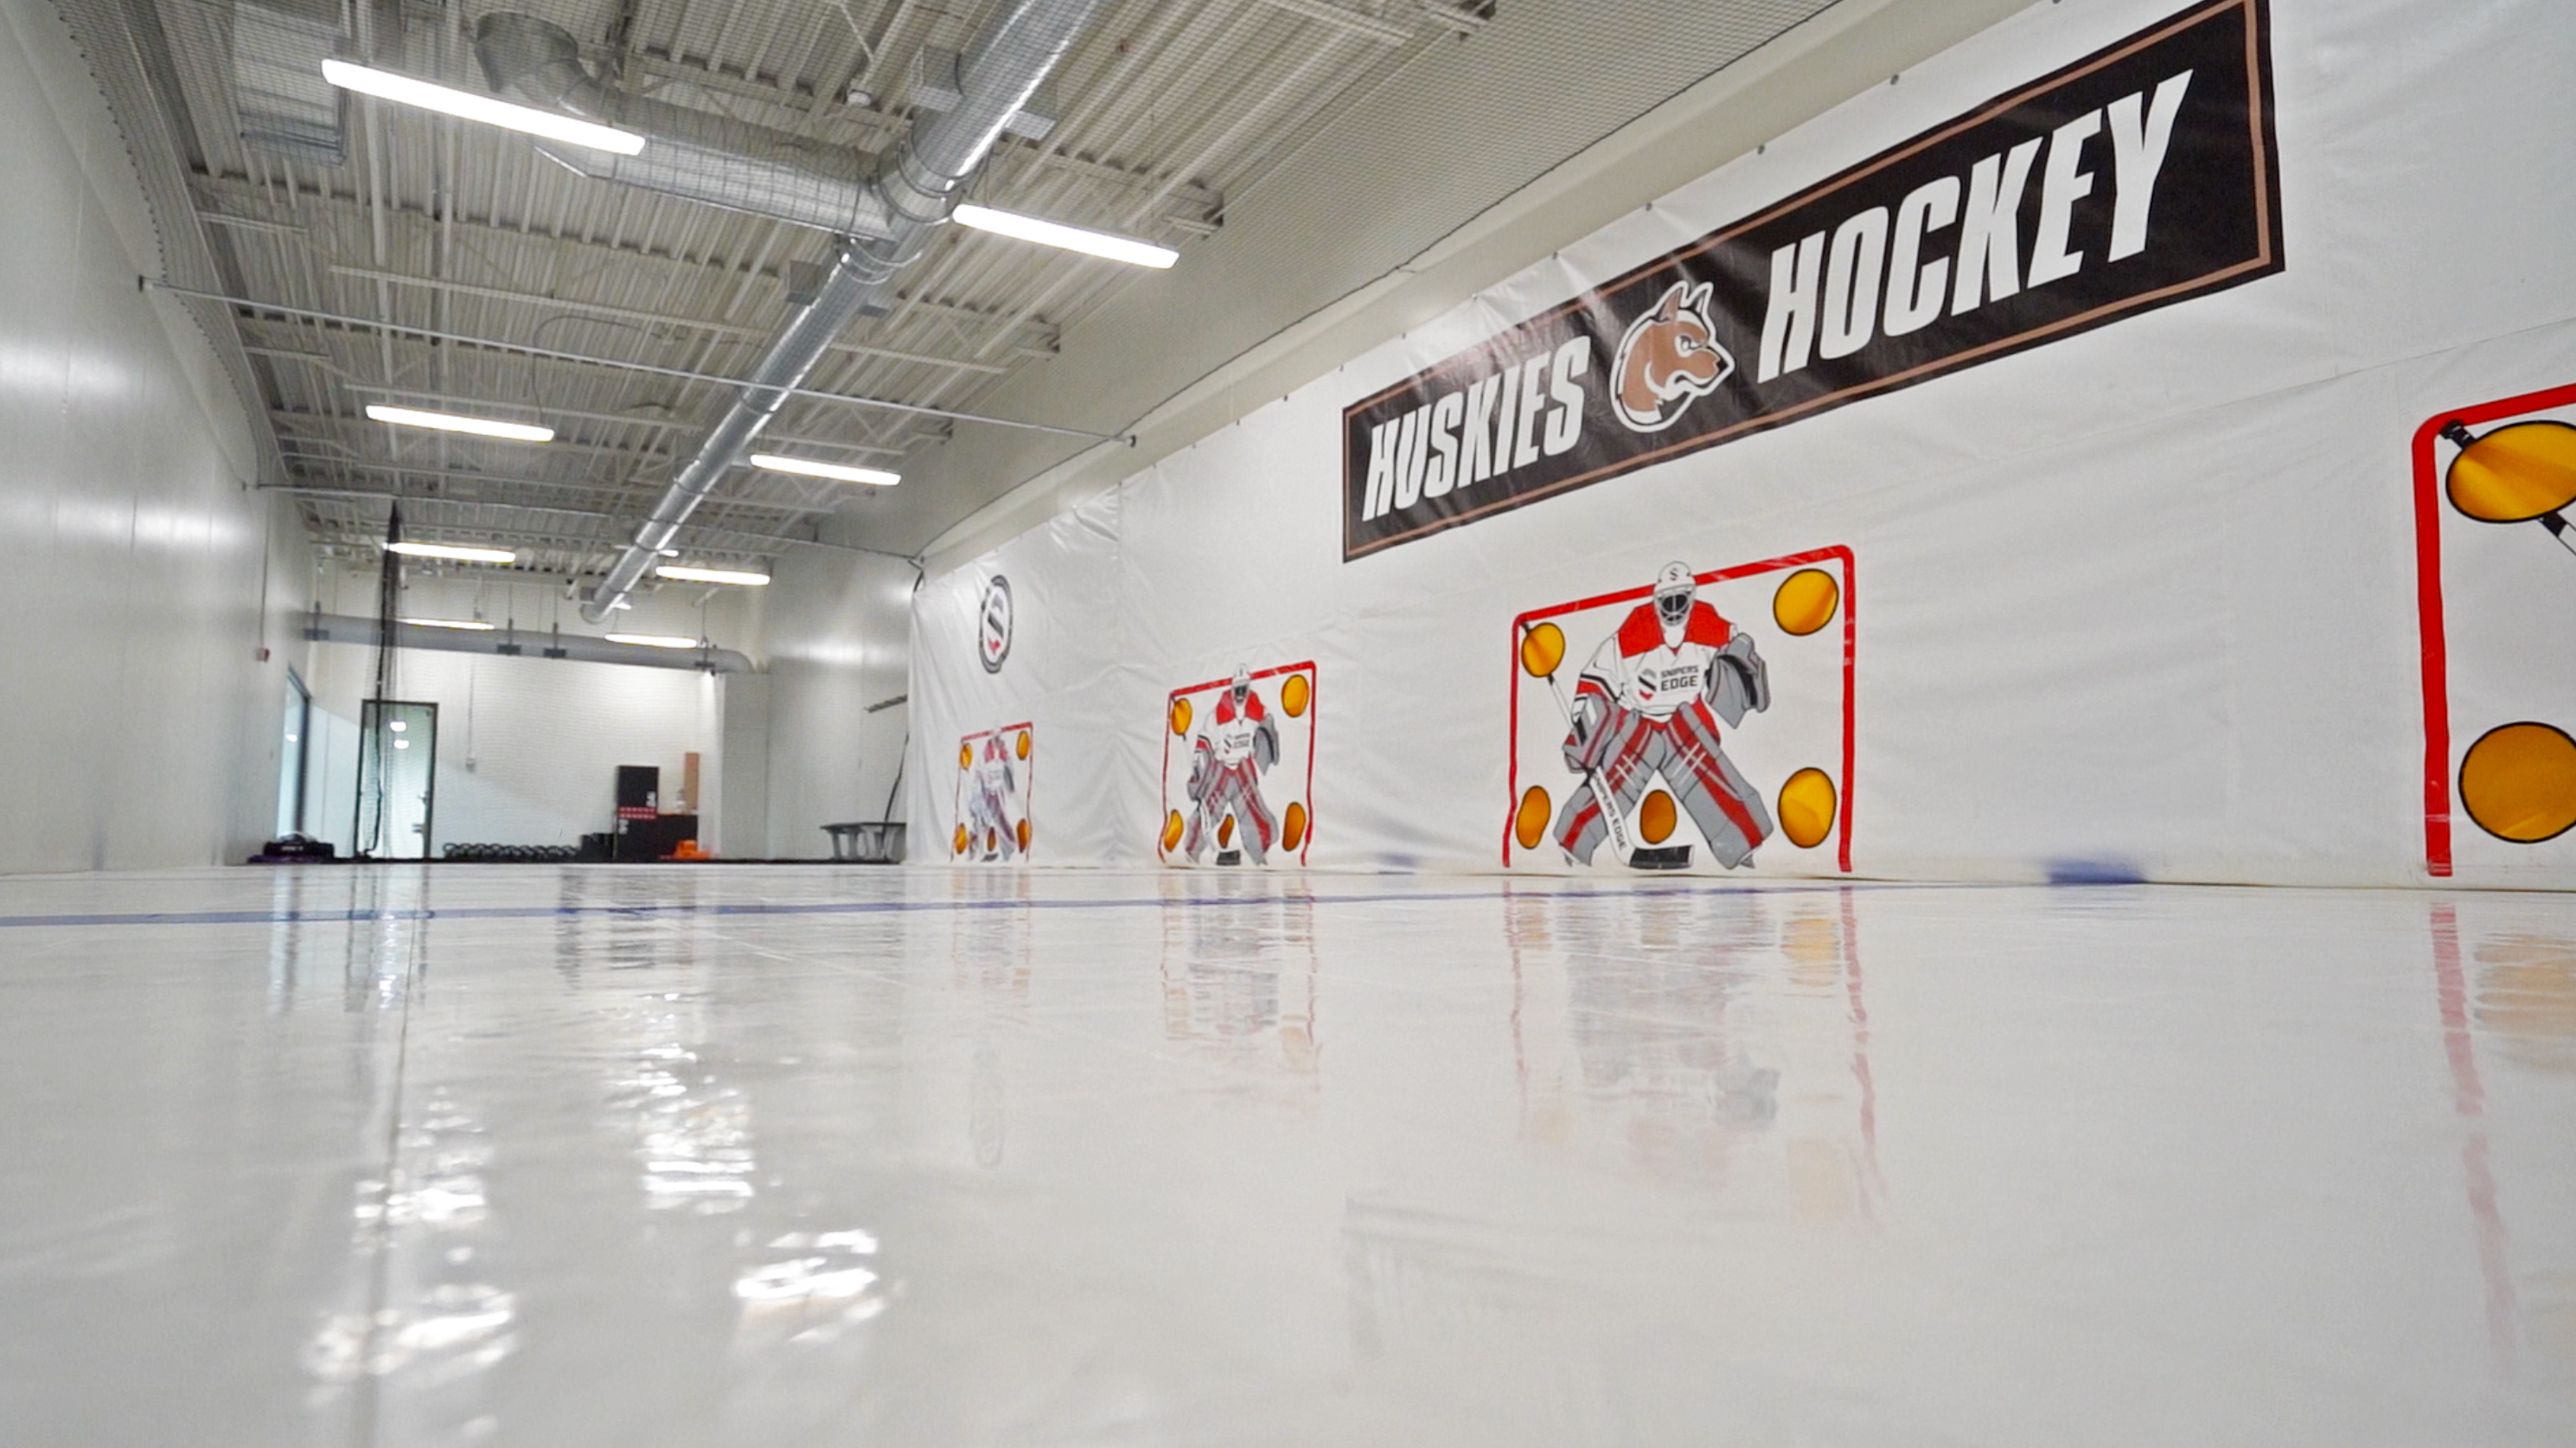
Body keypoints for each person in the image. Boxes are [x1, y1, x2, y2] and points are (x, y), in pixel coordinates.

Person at [1557, 562, 1774, 867]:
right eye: (1667, 599)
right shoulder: (1633, 633)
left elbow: (1738, 662)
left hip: (1686, 719)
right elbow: (1598, 677)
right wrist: (1585, 719)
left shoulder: (1712, 628)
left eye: (1680, 598)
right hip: (1640, 720)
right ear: (1657, 599)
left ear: (1692, 595)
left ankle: (1742, 843)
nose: (1674, 607)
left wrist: (1742, 669)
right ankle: (1573, 842)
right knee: (1615, 780)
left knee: (1709, 778)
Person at [1185, 665, 1281, 863]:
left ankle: (1259, 855)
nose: (1240, 693)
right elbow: (1204, 741)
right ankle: (1192, 850)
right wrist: (1199, 766)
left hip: (1243, 767)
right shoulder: (1217, 715)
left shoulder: (1258, 710)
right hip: (1222, 767)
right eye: (1237, 688)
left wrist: (1264, 734)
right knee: (1208, 810)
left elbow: (1267, 728)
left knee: (1253, 810)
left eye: (1243, 688)